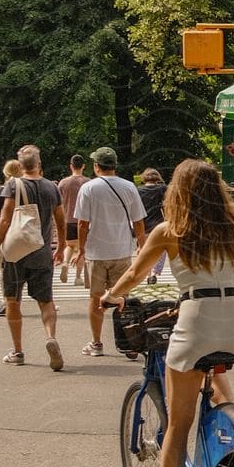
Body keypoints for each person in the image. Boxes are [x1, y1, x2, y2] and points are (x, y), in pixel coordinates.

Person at [104, 158, 234, 467]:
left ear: (178, 192)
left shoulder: (170, 231)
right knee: (220, 389)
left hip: (196, 320)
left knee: (179, 421)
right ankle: (231, 461)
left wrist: (110, 295)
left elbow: (136, 273)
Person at [0, 144, 66, 369]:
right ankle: (50, 337)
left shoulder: (12, 185)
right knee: (46, 301)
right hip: (42, 252)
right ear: (39, 164)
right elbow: (60, 220)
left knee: (12, 301)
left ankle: (18, 351)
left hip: (15, 255)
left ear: (20, 166)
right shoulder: (51, 188)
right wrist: (62, 246)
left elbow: (5, 220)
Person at [74, 146, 146, 357]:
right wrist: (141, 245)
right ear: (115, 165)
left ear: (96, 166)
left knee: (96, 298)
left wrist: (81, 249)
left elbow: (82, 224)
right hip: (122, 250)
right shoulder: (129, 187)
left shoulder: (88, 189)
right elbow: (138, 222)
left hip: (96, 252)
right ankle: (130, 343)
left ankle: (97, 344)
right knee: (123, 297)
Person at [0, 160, 21, 316]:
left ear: (5, 173)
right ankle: (17, 301)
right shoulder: (25, 189)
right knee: (20, 269)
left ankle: (6, 301)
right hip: (21, 232)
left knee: (4, 269)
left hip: (4, 233)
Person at [57, 154, 88, 286]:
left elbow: (58, 203)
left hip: (68, 219)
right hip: (85, 220)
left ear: (71, 166)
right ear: (84, 166)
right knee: (83, 248)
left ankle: (65, 263)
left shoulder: (63, 183)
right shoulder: (88, 182)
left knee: (69, 245)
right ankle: (78, 277)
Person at [137, 167, 168, 279]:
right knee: (161, 249)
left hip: (143, 224)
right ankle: (155, 272)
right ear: (157, 177)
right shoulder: (162, 189)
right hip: (158, 223)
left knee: (144, 249)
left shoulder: (138, 190)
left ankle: (147, 272)